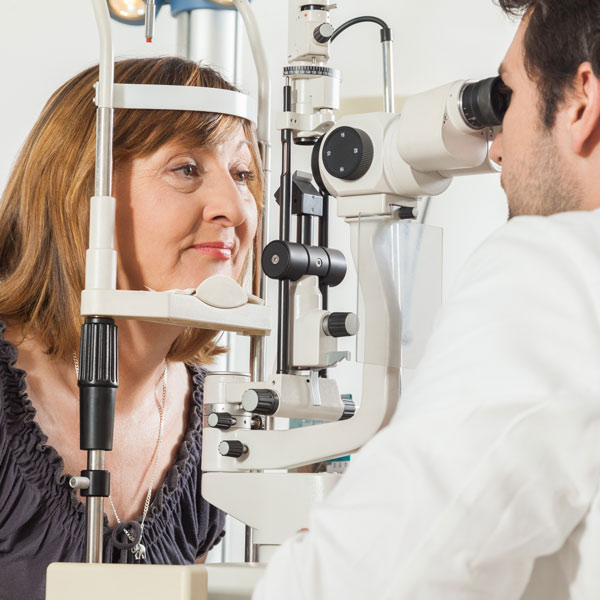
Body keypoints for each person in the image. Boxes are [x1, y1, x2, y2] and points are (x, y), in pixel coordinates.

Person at [253, 1, 600, 598]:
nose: (495, 150)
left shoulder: (558, 266)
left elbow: (370, 581)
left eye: (507, 96)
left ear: (581, 101)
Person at [0, 57, 262, 600]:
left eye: (241, 174)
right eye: (187, 168)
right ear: (81, 190)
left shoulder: (215, 422)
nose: (235, 208)